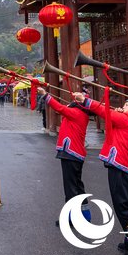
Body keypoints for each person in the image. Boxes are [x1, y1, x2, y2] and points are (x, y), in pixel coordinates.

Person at [83, 94, 128, 255]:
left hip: (121, 166)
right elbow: (113, 121)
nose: (124, 107)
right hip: (125, 166)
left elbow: (105, 112)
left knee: (123, 206)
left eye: (127, 105)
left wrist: (86, 101)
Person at [36, 87, 92, 225]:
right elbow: (62, 109)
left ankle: (71, 218)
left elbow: (60, 108)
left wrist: (45, 95)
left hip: (71, 153)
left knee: (70, 188)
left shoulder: (77, 113)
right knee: (77, 186)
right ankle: (85, 215)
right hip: (75, 153)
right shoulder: (80, 113)